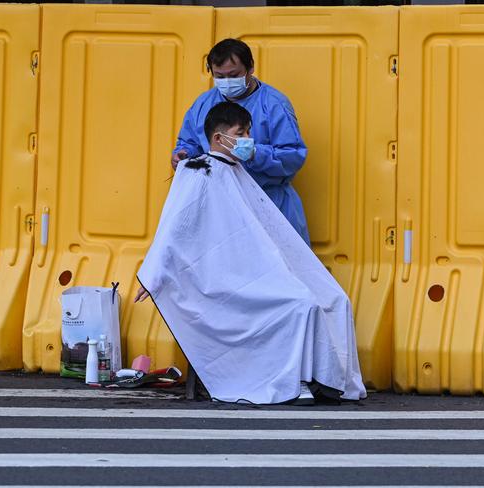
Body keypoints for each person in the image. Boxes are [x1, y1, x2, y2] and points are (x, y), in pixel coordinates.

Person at [136, 102, 366, 405]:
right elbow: (174, 228)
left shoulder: (236, 171)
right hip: (220, 280)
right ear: (219, 138)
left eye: (248, 132)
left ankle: (329, 378)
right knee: (300, 304)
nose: (247, 139)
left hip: (250, 271)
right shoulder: (197, 171)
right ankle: (294, 381)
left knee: (335, 298)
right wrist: (151, 274)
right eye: (240, 133)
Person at [171, 38, 310, 246]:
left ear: (250, 67)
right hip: (221, 209)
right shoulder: (203, 104)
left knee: (280, 272)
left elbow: (293, 156)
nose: (227, 82)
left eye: (234, 75)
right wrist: (182, 154)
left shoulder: (274, 104)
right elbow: (189, 142)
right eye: (220, 77)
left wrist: (255, 153)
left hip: (269, 206)